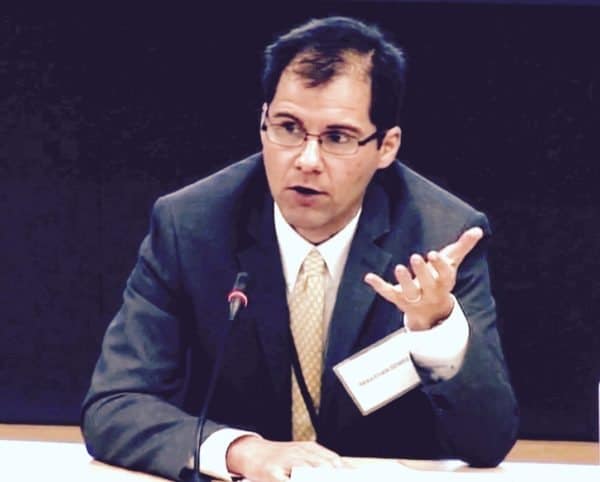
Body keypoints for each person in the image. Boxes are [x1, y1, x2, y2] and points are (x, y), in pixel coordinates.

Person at [81, 16, 519, 482]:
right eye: (288, 128)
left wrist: (436, 329)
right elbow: (115, 405)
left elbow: (488, 442)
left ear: (386, 147)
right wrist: (241, 451)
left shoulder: (441, 238)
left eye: (337, 138)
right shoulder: (191, 225)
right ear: (262, 122)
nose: (307, 160)